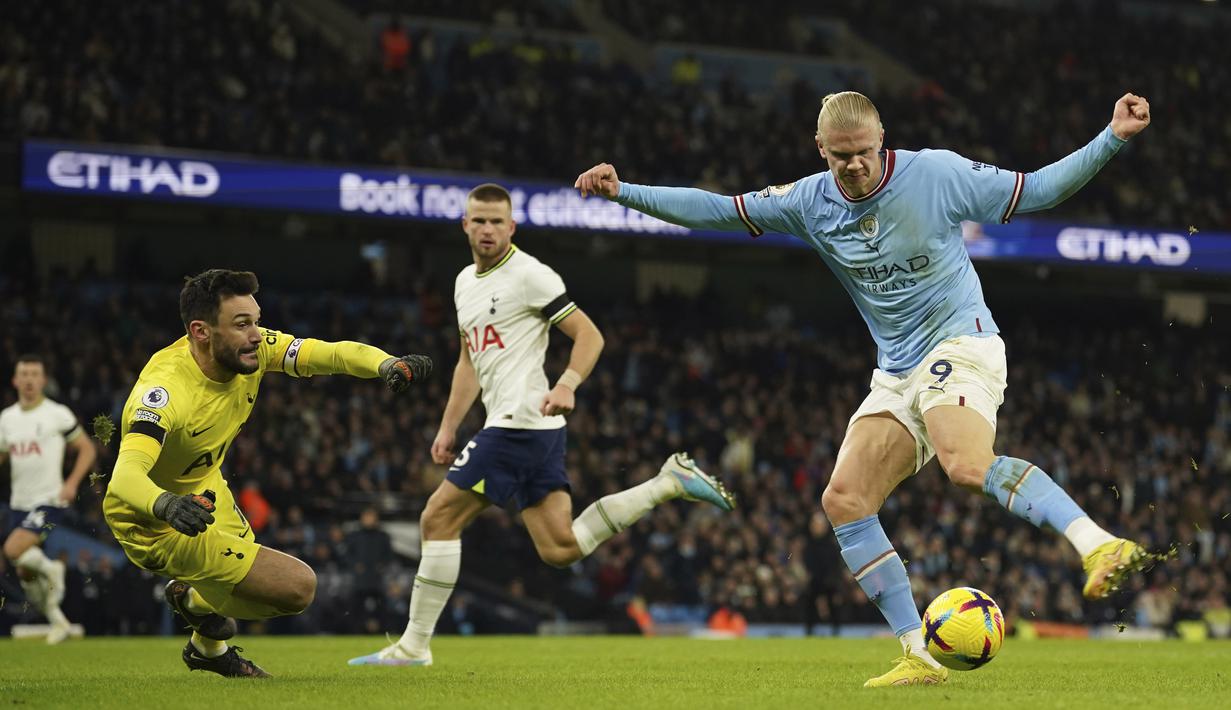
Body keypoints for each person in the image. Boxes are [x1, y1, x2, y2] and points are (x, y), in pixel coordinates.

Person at [575, 91, 1153, 686]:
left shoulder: (936, 174)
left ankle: (1098, 543)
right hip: (897, 371)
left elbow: (1035, 191)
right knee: (844, 500)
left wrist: (1111, 137)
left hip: (962, 343)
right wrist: (626, 192)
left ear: (884, 140)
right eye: (841, 156)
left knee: (962, 464)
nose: (854, 165)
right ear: (820, 149)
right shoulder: (807, 200)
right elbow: (716, 209)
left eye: (865, 153)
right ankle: (918, 656)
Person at [348, 183, 736, 667]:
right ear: (465, 225)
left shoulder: (531, 275)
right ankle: (666, 483)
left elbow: (589, 336)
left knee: (436, 519)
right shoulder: (464, 283)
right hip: (528, 430)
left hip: (521, 425)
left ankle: (413, 647)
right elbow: (470, 362)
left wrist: (569, 382)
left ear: (511, 227)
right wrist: (449, 426)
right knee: (560, 547)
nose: (488, 229)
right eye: (479, 220)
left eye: (497, 222)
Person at [102, 269, 432, 677]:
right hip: (150, 517)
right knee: (297, 588)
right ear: (201, 331)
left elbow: (329, 354)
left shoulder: (254, 349)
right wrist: (166, 504)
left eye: (256, 320)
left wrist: (386, 364)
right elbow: (124, 477)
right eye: (242, 325)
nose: (258, 334)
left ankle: (206, 645)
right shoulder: (164, 393)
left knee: (242, 590)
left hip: (205, 489)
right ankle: (194, 605)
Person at [0, 354, 98, 644]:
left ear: (43, 380)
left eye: (34, 374)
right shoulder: (7, 419)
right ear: (15, 380)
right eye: (24, 374)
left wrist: (71, 483)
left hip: (49, 500)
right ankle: (59, 622)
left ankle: (53, 568)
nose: (29, 379)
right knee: (25, 574)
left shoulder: (57, 414)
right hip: (20, 503)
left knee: (12, 548)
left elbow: (87, 449)